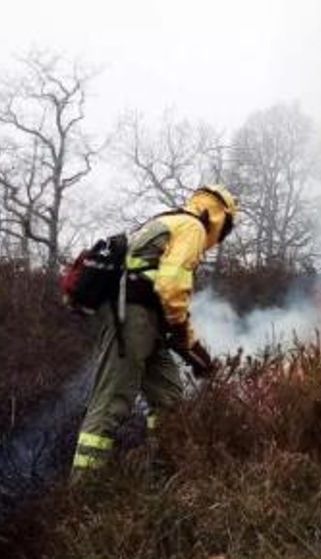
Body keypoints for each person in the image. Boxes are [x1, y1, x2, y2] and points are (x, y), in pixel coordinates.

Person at [73, 185, 238, 472]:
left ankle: (164, 473)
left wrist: (191, 348)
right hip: (132, 318)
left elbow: (163, 292)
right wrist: (181, 334)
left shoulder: (170, 221)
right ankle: (82, 490)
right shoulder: (192, 227)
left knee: (169, 401)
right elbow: (172, 287)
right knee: (112, 402)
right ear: (219, 217)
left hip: (149, 322)